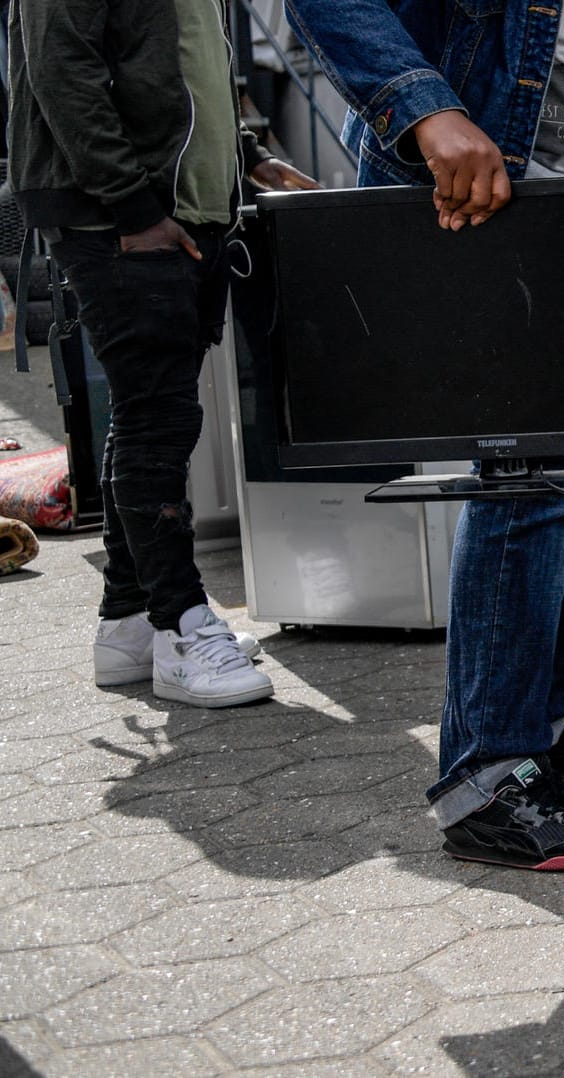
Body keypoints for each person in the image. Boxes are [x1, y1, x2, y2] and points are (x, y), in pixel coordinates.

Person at [285, 0, 564, 870]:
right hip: (499, 188)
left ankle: (547, 716)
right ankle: (488, 778)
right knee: (532, 472)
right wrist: (427, 108)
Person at [9, 0, 316, 708]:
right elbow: (62, 69)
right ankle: (180, 625)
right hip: (123, 217)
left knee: (153, 414)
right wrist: (132, 206)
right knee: (158, 420)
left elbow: (185, 69)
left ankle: (129, 622)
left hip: (184, 207)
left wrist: (245, 155)